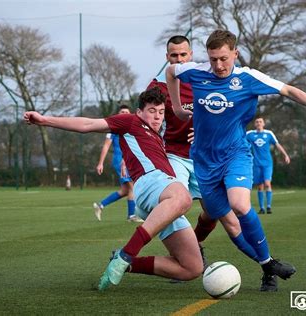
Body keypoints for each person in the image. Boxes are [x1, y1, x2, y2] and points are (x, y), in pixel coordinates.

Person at [166, 29, 306, 291]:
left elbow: (289, 90)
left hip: (235, 153)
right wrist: (178, 107)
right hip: (203, 161)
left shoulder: (248, 78)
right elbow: (172, 71)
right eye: (213, 59)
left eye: (224, 58)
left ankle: (267, 267)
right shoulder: (196, 71)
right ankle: (268, 266)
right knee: (229, 224)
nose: (218, 65)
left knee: (239, 203)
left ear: (235, 54)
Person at [23, 87, 203, 291]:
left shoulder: (159, 137)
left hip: (160, 197)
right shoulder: (130, 122)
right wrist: (45, 120)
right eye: (152, 111)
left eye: (161, 112)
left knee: (191, 267)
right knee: (183, 198)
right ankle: (127, 254)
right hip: (150, 183)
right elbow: (87, 124)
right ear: (139, 112)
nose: (157, 116)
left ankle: (126, 263)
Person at [147, 35, 243, 271]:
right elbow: (146, 123)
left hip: (207, 160)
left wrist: (207, 136)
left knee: (213, 213)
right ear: (166, 57)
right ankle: (184, 256)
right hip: (174, 155)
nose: (178, 59)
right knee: (173, 205)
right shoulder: (158, 86)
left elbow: (232, 118)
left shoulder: (207, 78)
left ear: (191, 55)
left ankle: (196, 244)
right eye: (173, 55)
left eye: (183, 55)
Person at [93, 104, 143, 223]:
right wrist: (100, 163)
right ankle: (131, 216)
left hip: (128, 161)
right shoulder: (114, 129)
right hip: (120, 162)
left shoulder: (131, 128)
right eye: (122, 112)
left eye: (127, 112)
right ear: (118, 115)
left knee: (125, 190)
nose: (124, 114)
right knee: (132, 187)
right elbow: (106, 146)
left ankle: (100, 205)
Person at [246, 117, 290, 214]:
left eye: (260, 121)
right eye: (257, 122)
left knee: (267, 183)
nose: (258, 123)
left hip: (267, 164)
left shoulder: (269, 134)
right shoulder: (250, 134)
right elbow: (240, 142)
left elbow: (277, 144)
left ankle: (269, 206)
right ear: (254, 124)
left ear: (264, 123)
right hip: (256, 164)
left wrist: (285, 155)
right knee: (260, 186)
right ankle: (262, 208)